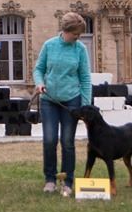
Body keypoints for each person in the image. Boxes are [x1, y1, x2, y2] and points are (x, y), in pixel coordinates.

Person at [32, 12, 92, 194]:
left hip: (72, 101)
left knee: (67, 141)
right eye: (76, 33)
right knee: (49, 140)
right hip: (49, 100)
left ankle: (68, 181)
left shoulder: (80, 49)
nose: (78, 37)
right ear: (66, 30)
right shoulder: (49, 45)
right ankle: (50, 179)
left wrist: (85, 106)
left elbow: (85, 78)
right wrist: (40, 83)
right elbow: (38, 69)